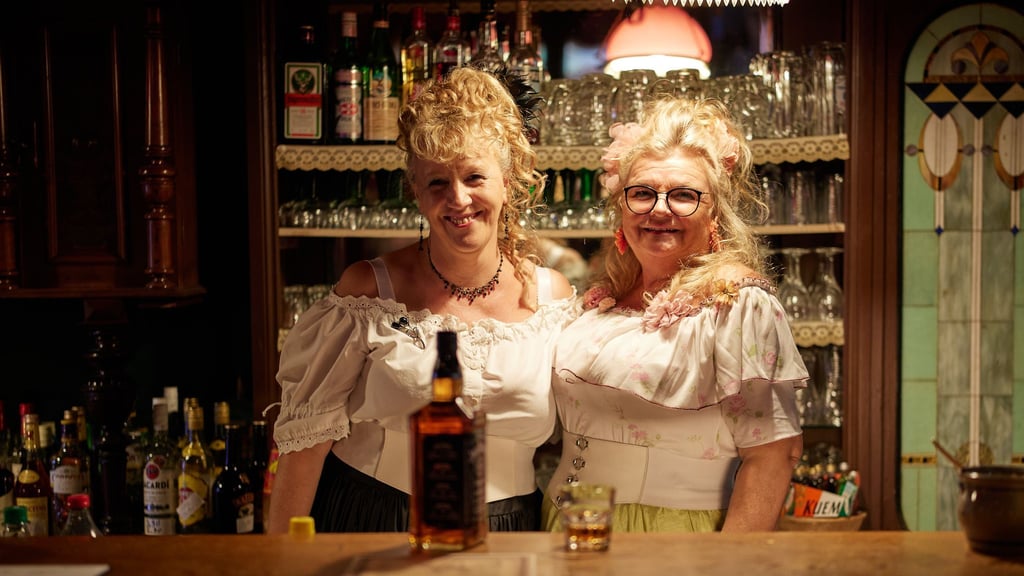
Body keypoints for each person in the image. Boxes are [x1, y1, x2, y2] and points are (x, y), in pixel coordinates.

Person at [268, 66, 577, 534]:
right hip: (375, 516)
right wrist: (279, 560)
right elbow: (304, 441)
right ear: (414, 191)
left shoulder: (554, 299)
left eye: (475, 177)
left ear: (508, 182)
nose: (458, 198)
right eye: (437, 182)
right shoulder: (367, 291)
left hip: (512, 528)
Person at [543, 96, 808, 533]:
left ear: (714, 215)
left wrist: (730, 566)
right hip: (568, 524)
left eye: (684, 195)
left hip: (670, 533)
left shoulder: (738, 306)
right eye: (643, 193)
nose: (660, 209)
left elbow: (774, 454)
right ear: (621, 210)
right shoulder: (602, 303)